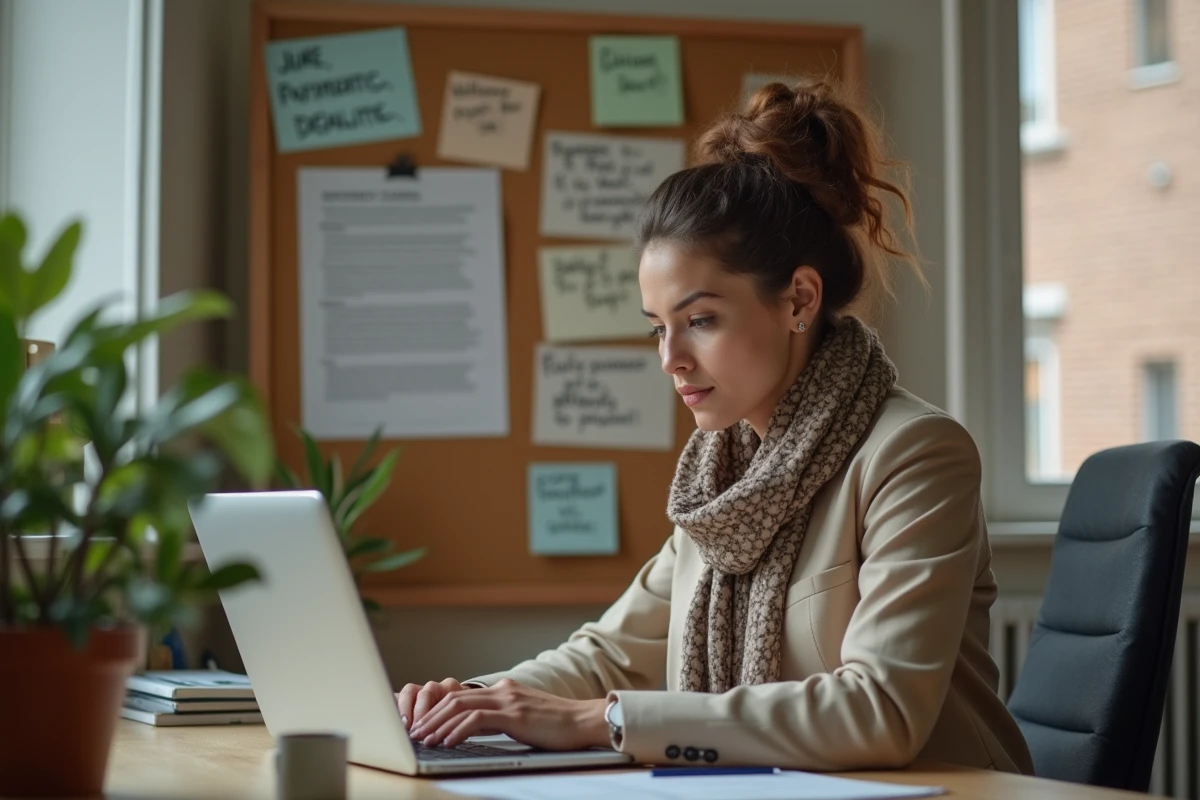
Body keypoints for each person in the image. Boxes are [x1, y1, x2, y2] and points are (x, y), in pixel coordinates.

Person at [395, 79, 1034, 774]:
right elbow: (609, 653)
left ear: (799, 299)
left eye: (700, 320)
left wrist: (601, 720)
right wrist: (469, 702)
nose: (671, 359)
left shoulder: (914, 454)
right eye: (657, 330)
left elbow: (879, 711)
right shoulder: (723, 479)